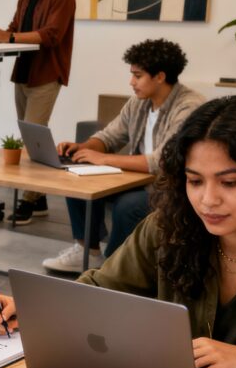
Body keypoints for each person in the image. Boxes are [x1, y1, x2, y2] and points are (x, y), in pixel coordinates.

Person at [0, 96, 236, 368]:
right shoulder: (168, 228)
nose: (208, 200)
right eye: (195, 181)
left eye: (229, 183)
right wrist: (29, 308)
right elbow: (98, 290)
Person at [42, 39, 205, 271]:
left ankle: (114, 267)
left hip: (172, 187)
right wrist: (83, 148)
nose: (131, 82)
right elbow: (110, 136)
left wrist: (103, 159)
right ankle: (87, 251)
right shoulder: (139, 102)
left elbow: (162, 161)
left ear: (160, 76)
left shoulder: (189, 107)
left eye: (137, 76)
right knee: (77, 180)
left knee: (129, 206)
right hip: (139, 180)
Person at [0, 0, 76, 224]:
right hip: (23, 72)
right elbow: (15, 28)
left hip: (46, 73)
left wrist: (9, 36)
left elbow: (51, 35)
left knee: (34, 136)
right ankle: (39, 198)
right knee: (31, 138)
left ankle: (28, 199)